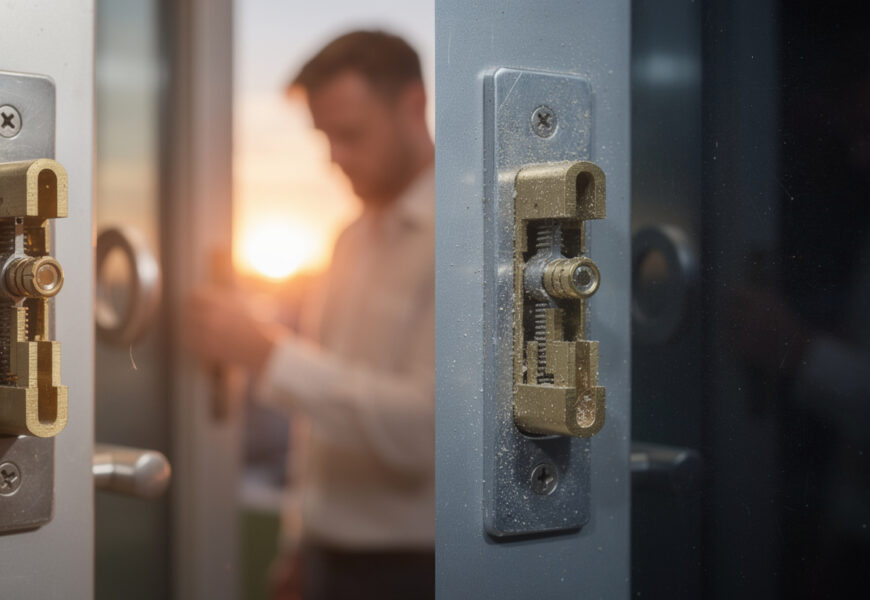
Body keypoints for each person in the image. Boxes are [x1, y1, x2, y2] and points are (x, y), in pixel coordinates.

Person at [187, 30, 434, 600]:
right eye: (325, 138)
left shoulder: (465, 242)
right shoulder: (349, 239)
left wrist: (265, 353)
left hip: (413, 570)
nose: (335, 159)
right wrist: (297, 542)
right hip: (326, 557)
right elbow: (318, 420)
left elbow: (429, 431)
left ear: (415, 105)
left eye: (350, 135)